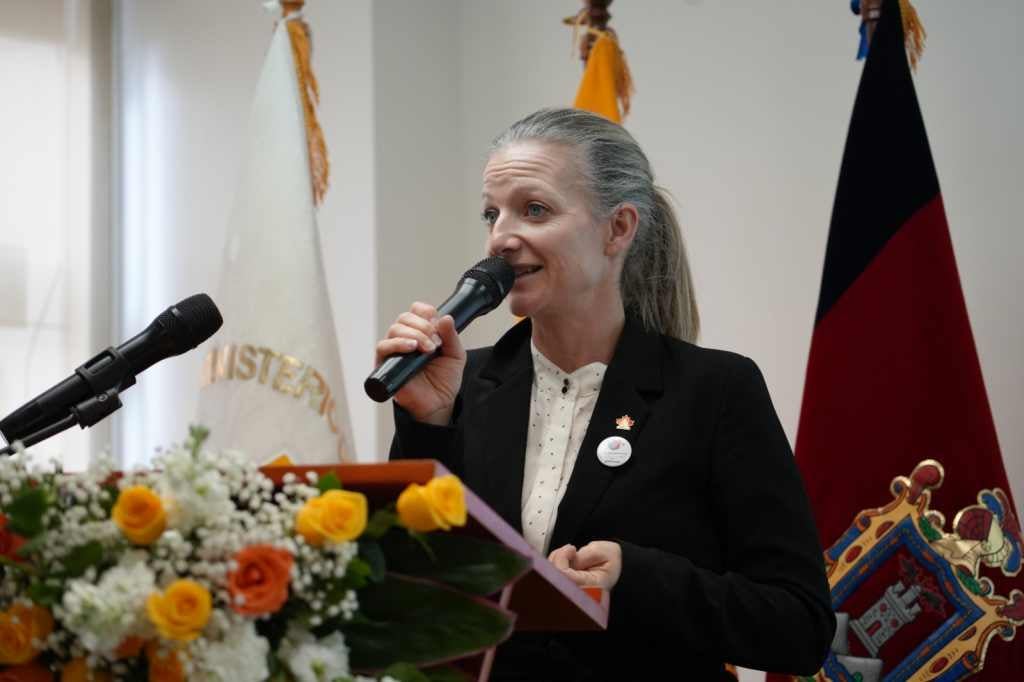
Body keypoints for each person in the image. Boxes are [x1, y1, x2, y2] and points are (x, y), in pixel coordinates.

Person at [381, 108, 835, 680]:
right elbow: (403, 598)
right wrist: (428, 426)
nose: (500, 238)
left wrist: (637, 578)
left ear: (618, 228)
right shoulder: (460, 384)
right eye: (492, 214)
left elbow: (799, 628)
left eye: (535, 210)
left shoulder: (715, 391)